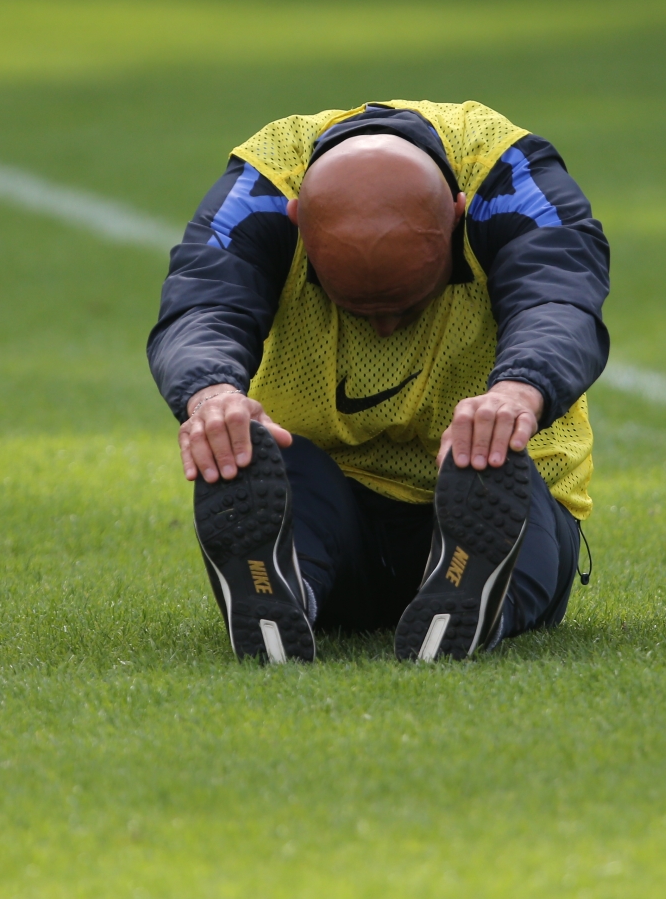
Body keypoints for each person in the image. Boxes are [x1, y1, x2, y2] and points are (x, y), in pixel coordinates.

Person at [147, 100, 609, 663]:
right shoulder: (266, 183)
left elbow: (560, 294)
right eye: (357, 307)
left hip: (487, 480)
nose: (385, 328)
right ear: (299, 223)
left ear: (458, 216)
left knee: (494, 466)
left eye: (404, 303)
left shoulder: (505, 175)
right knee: (259, 452)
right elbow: (203, 301)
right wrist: (214, 395)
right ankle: (283, 594)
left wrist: (518, 390)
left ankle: (476, 602)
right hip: (332, 490)